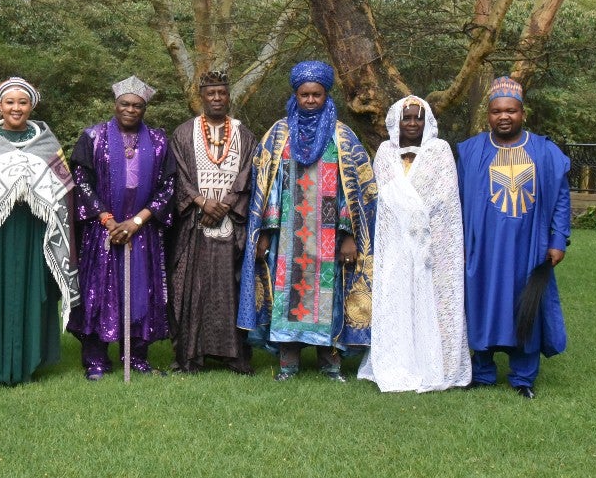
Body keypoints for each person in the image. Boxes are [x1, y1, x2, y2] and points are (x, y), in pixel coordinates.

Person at [237, 60, 377, 382]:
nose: (311, 100)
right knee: (288, 295)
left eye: (317, 94)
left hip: (328, 231)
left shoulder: (343, 137)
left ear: (326, 95)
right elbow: (267, 185)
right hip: (287, 232)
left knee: (329, 298)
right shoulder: (279, 135)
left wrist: (349, 235)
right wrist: (265, 233)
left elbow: (352, 190)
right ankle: (288, 365)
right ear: (296, 96)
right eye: (304, 95)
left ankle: (330, 365)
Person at [0, 77, 79, 387]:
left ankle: (27, 362)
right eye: (10, 102)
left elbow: (63, 193)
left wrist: (34, 193)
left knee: (31, 292)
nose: (16, 108)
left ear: (31, 105)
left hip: (34, 233)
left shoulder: (46, 142)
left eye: (23, 102)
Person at [457, 77, 570, 399]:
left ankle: (523, 377)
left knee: (527, 306)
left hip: (529, 246)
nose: (503, 117)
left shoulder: (546, 152)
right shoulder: (470, 151)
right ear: (488, 115)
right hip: (482, 247)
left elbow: (561, 198)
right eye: (496, 111)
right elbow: (457, 200)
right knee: (481, 304)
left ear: (523, 113)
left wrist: (558, 240)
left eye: (511, 111)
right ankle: (482, 372)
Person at [357, 96, 471, 392]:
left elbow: (444, 196)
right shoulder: (384, 152)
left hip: (428, 240)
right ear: (396, 120)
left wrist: (418, 220)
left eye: (417, 118)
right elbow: (382, 195)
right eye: (406, 117)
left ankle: (433, 362)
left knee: (430, 298)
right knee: (398, 296)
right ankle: (399, 362)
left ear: (427, 121)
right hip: (395, 240)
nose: (411, 123)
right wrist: (406, 217)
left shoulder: (440, 151)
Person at [66, 76, 176, 380]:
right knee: (99, 292)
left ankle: (136, 355)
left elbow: (167, 187)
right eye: (125, 104)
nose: (131, 109)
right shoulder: (93, 137)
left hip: (142, 229)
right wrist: (107, 219)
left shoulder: (158, 141)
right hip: (103, 230)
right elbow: (81, 182)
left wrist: (138, 220)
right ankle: (96, 359)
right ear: (115, 105)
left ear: (144, 109)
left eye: (137, 106)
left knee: (142, 291)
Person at [169, 71, 255, 374]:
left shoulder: (245, 136)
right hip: (195, 221)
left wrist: (226, 205)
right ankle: (191, 354)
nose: (216, 98)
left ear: (228, 96)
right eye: (211, 93)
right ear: (201, 96)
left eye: (221, 93)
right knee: (193, 287)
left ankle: (233, 355)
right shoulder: (182, 133)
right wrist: (202, 202)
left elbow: (248, 176)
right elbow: (177, 174)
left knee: (230, 286)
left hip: (231, 222)